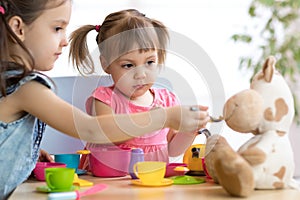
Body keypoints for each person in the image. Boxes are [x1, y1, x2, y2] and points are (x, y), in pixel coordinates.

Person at [0, 1, 209, 198]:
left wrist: (28, 156)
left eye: (150, 62)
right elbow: (93, 129)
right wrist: (163, 117)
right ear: (18, 28)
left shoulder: (14, 84)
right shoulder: (25, 88)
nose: (65, 40)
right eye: (57, 28)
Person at [68, 9, 210, 170]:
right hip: (111, 182)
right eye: (128, 65)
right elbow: (112, 136)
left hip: (151, 182)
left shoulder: (167, 100)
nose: (141, 74)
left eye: (149, 62)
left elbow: (172, 149)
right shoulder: (104, 99)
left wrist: (189, 131)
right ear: (106, 64)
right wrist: (154, 119)